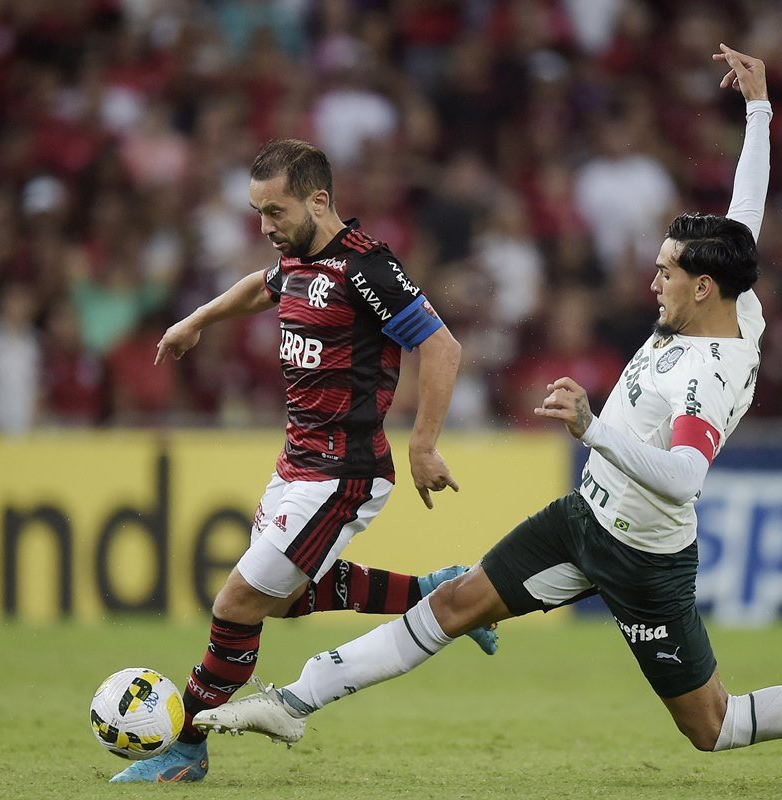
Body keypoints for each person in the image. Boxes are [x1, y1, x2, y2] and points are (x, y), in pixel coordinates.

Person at [193, 45, 782, 782]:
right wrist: (760, 110)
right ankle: (293, 702)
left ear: (702, 288)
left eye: (666, 270)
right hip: (584, 518)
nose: (652, 278)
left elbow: (685, 477)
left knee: (712, 727)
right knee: (455, 604)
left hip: (646, 557)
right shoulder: (734, 296)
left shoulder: (710, 370)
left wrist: (593, 430)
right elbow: (746, 211)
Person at [110, 138, 497, 783]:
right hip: (295, 466)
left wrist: (423, 443)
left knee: (236, 604)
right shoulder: (296, 258)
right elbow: (259, 289)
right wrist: (196, 321)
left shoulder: (366, 268)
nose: (265, 229)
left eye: (275, 212)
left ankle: (184, 747)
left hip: (344, 474)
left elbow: (442, 347)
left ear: (319, 200)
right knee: (282, 602)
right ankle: (436, 591)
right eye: (258, 214)